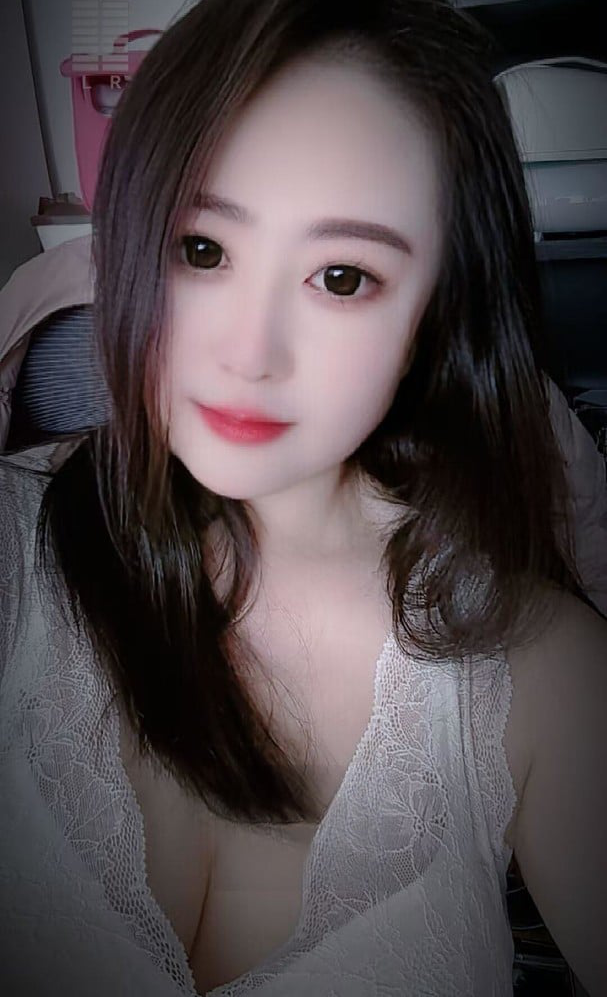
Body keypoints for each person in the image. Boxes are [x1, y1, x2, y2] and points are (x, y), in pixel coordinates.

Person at [0, 1, 606, 995]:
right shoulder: (16, 561)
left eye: (341, 276)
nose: (249, 353)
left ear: (433, 315)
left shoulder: (542, 673)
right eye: (201, 250)